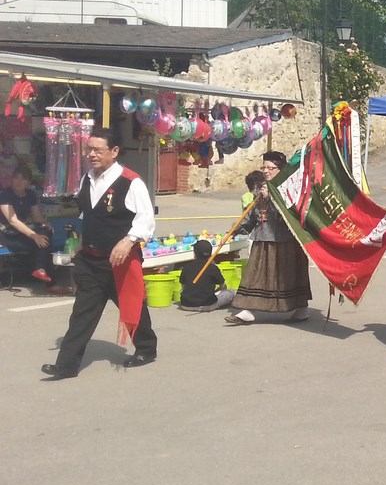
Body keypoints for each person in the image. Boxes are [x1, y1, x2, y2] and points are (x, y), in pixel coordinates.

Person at [41, 128, 157, 380]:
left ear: (114, 152)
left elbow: (146, 219)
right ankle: (67, 365)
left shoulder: (131, 181)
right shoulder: (87, 179)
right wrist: (78, 246)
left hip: (119, 262)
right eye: (88, 149)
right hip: (91, 261)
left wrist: (128, 241)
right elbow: (87, 217)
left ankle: (147, 349)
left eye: (98, 150)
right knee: (82, 313)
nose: (91, 154)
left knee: (132, 306)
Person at [227, 151, 312, 324]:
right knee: (255, 274)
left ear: (280, 169)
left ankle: (301, 309)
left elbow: (290, 216)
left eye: (270, 168)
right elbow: (252, 214)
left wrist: (272, 198)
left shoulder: (290, 188)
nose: (266, 171)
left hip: (285, 240)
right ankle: (248, 310)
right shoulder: (261, 187)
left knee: (289, 275)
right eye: (263, 167)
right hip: (262, 238)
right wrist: (236, 230)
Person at [0, 163, 62, 291]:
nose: (19, 181)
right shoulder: (5, 194)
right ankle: (49, 281)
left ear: (28, 182)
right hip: (6, 234)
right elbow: (13, 221)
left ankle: (41, 270)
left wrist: (45, 223)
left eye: (23, 179)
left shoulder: (30, 194)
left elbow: (36, 217)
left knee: (45, 233)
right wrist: (34, 236)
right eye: (16, 178)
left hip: (21, 233)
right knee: (43, 243)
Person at [178, 239, 235, 312]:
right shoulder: (213, 267)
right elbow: (223, 286)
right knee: (231, 292)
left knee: (185, 291)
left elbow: (183, 286)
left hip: (186, 304)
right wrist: (214, 292)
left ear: (195, 253)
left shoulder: (186, 267)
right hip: (208, 304)